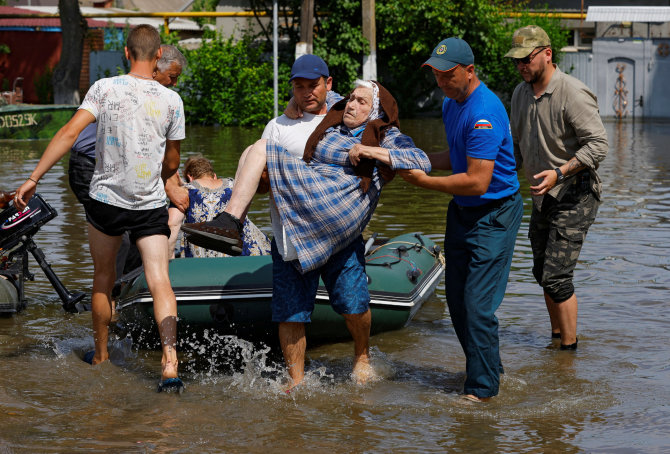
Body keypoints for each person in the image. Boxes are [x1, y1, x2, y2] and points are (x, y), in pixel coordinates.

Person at [182, 62, 431, 389]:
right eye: (298, 86)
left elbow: (417, 158)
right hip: (291, 238)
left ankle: (362, 356)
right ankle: (296, 381)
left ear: (328, 84)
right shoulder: (281, 126)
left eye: (313, 85)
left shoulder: (353, 124)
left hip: (339, 237)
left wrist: (372, 151)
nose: (306, 92)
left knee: (354, 307)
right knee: (290, 314)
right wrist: (270, 180)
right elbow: (259, 186)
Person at [13, 25, 186, 392]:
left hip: (106, 201)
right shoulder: (172, 100)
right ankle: (170, 361)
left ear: (126, 53)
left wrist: (32, 179)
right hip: (150, 203)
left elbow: (68, 134)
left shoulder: (104, 88)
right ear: (158, 56)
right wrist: (165, 175)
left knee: (103, 278)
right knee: (160, 281)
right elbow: (172, 160)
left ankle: (102, 354)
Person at [399, 38, 523, 402]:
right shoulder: (452, 104)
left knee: (477, 304)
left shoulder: (484, 111)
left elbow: (477, 179)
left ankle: (483, 392)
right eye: (436, 74)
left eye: (447, 75)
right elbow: (456, 157)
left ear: (469, 71)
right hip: (463, 213)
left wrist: (425, 182)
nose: (441, 82)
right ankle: (487, 369)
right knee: (456, 300)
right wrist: (417, 160)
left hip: (494, 214)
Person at [504, 25, 608, 350]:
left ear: (547, 54)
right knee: (541, 272)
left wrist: (559, 173)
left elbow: (599, 145)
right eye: (516, 61)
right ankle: (556, 337)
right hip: (541, 195)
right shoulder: (520, 94)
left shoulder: (572, 93)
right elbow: (516, 146)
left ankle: (568, 352)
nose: (521, 66)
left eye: (526, 59)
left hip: (576, 193)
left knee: (557, 276)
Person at [68, 44, 188, 277]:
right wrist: (169, 185)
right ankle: (114, 296)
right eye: (172, 77)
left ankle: (128, 290)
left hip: (123, 166)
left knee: (139, 233)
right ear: (155, 67)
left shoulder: (163, 98)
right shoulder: (125, 88)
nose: (175, 83)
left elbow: (156, 148)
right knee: (121, 238)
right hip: (90, 165)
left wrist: (172, 182)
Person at [167, 155, 270, 258]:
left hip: (205, 261)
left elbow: (173, 224)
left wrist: (169, 259)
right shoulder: (235, 185)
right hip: (247, 255)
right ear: (214, 176)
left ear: (190, 177)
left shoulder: (184, 194)